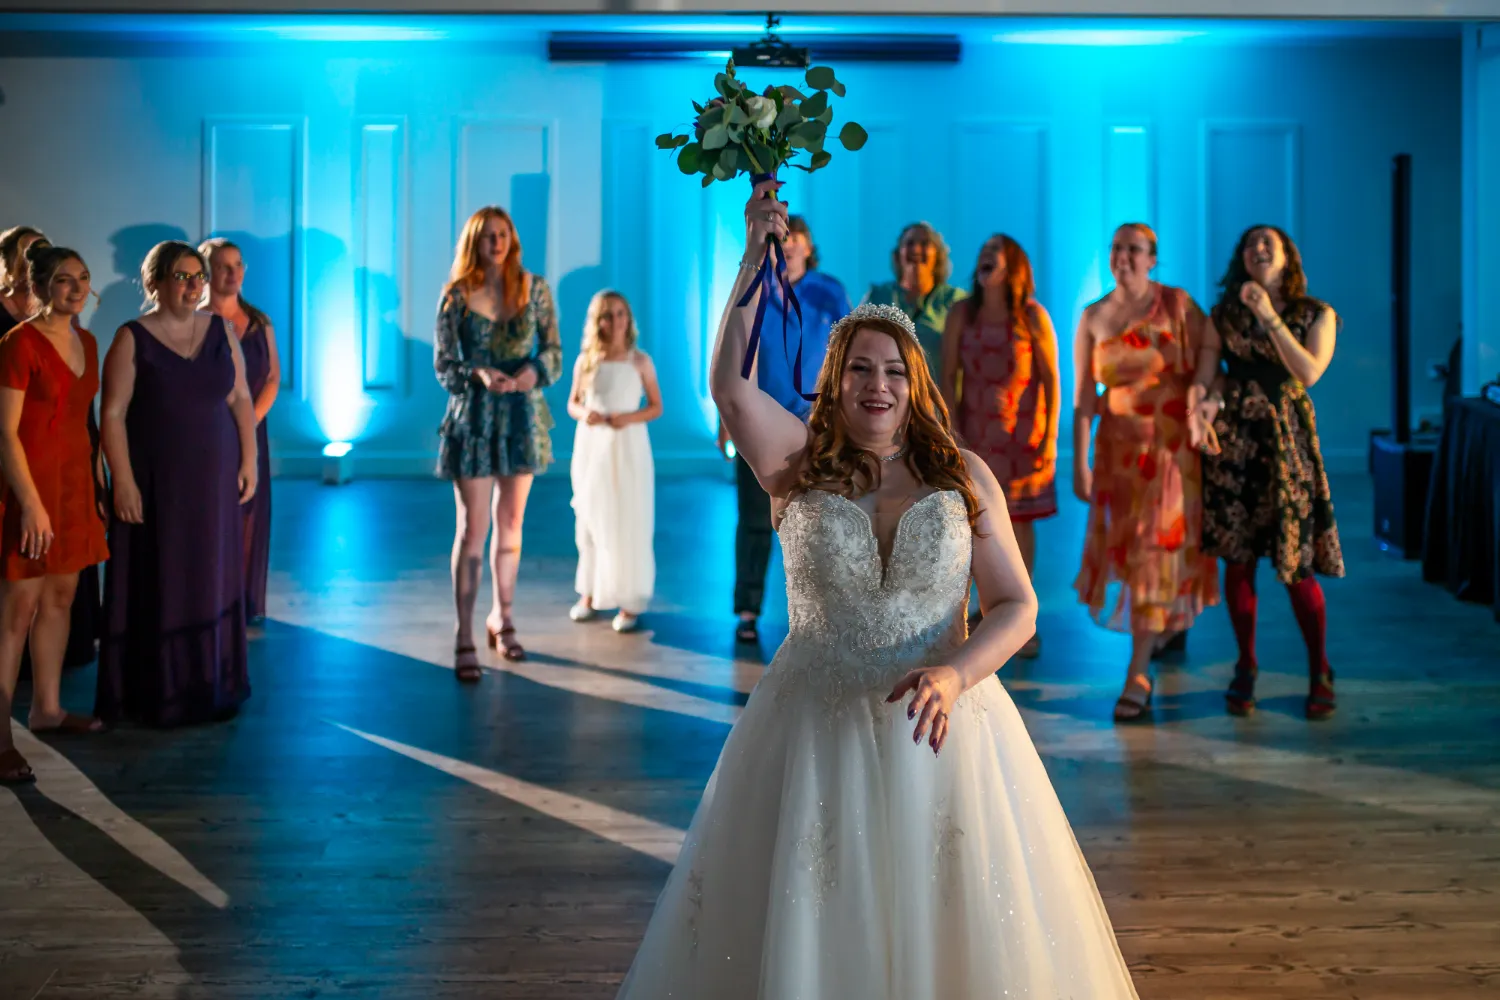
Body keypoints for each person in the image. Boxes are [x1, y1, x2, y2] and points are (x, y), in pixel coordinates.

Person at [615, 179, 1140, 999]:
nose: (878, 385)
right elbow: (731, 389)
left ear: (915, 380)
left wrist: (957, 671)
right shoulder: (796, 465)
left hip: (944, 730)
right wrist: (756, 257)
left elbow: (1017, 605)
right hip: (815, 732)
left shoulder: (963, 475)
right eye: (859, 367)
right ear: (836, 375)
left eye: (894, 369)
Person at [95, 241, 257, 727]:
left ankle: (210, 685)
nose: (192, 286)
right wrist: (120, 480)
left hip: (213, 479)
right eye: (182, 277)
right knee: (159, 577)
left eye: (197, 277)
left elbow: (241, 399)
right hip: (156, 482)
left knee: (210, 574)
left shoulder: (222, 332)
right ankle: (155, 692)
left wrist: (249, 458)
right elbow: (113, 414)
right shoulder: (131, 337)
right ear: (155, 284)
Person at [1072, 223, 1221, 721]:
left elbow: (1211, 349)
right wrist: (1079, 460)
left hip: (1170, 455)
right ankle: (1161, 629)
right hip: (1117, 457)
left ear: (1152, 258)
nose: (1123, 257)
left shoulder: (1176, 304)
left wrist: (1200, 396)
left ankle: (1138, 670)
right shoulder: (1094, 316)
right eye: (1116, 248)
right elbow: (1083, 400)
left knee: (1154, 555)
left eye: (1134, 249)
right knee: (1135, 556)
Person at [1200, 225, 1344, 720]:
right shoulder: (1222, 315)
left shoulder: (1315, 314)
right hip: (1235, 446)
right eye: (1250, 243)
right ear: (1241, 257)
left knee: (1295, 564)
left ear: (1287, 257)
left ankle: (1320, 668)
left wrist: (1267, 314)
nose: (1258, 249)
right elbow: (1213, 375)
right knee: (1238, 562)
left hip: (1288, 449)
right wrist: (1203, 407)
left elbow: (1307, 372)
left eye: (1269, 243)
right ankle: (1246, 665)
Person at [434, 206, 562, 679]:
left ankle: (502, 618)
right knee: (471, 529)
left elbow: (553, 351)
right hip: (474, 416)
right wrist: (478, 373)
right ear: (474, 242)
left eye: (503, 234)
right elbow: (444, 364)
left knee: (511, 523)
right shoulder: (456, 296)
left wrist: (531, 372)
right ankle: (464, 633)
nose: (496, 242)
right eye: (488, 236)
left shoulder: (535, 289)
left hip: (521, 414)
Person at [0, 245, 110, 784]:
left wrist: (99, 485)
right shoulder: (18, 344)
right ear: (39, 286)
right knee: (18, 607)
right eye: (64, 280)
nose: (76, 289)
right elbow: (5, 432)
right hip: (29, 493)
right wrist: (30, 504)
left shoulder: (88, 341)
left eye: (83, 279)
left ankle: (46, 709)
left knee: (62, 596)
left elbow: (84, 422)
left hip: (73, 488)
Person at [717, 214, 850, 644]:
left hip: (818, 426)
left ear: (809, 247)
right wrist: (729, 422)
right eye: (782, 236)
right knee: (755, 519)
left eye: (798, 237)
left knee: (821, 524)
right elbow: (738, 357)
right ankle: (748, 610)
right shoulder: (757, 291)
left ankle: (823, 615)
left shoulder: (830, 292)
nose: (789, 243)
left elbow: (845, 354)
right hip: (760, 425)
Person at [940, 233, 1059, 656]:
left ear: (1015, 267)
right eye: (982, 251)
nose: (985, 255)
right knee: (971, 521)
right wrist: (950, 429)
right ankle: (978, 612)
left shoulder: (1032, 316)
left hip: (1022, 441)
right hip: (975, 439)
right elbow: (946, 375)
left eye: (997, 252)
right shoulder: (962, 314)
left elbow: (1050, 379)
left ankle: (1019, 618)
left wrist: (1048, 439)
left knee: (1019, 526)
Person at [566, 290, 662, 633]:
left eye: (621, 313)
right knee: (590, 518)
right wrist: (585, 414)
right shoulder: (586, 361)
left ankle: (628, 600)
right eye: (607, 315)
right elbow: (573, 403)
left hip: (628, 446)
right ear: (597, 322)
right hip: (593, 446)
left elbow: (656, 406)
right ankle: (589, 594)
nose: (615, 320)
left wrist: (629, 417)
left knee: (627, 517)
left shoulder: (640, 361)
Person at [200, 238, 279, 624]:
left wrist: (251, 419)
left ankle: (243, 603)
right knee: (214, 516)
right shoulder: (196, 320)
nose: (233, 273)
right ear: (208, 273)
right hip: (211, 434)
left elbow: (273, 377)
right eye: (223, 266)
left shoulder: (260, 321)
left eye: (238, 264)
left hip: (253, 431)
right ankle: (210, 599)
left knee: (249, 514)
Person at [861, 221, 966, 375]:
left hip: (936, 396)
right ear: (898, 255)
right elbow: (855, 344)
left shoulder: (954, 300)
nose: (916, 249)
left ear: (938, 255)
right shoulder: (878, 296)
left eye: (924, 243)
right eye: (909, 243)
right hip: (886, 394)